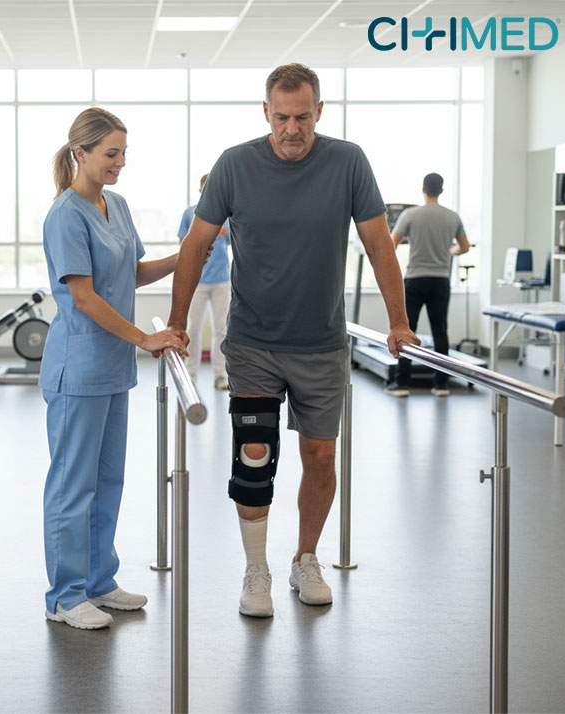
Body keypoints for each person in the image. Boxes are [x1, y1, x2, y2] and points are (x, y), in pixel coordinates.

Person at [168, 63, 417, 618]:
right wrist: (178, 323)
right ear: (266, 114)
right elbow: (195, 246)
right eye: (281, 117)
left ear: (319, 112)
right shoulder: (234, 165)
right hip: (253, 341)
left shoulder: (348, 161)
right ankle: (255, 568)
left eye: (303, 116)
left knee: (321, 456)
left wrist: (398, 322)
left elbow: (378, 245)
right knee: (254, 455)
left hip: (322, 343)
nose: (292, 128)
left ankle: (306, 557)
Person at [41, 107, 188, 630]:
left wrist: (184, 254)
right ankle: (64, 595)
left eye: (124, 153)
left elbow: (132, 272)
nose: (120, 163)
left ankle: (99, 582)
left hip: (113, 367)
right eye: (110, 154)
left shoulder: (117, 205)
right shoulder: (65, 215)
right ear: (80, 153)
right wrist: (146, 337)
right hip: (78, 367)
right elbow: (83, 297)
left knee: (108, 481)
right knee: (72, 485)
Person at [386, 173, 470, 398]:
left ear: (423, 189)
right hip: (440, 280)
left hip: (415, 279)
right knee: (440, 331)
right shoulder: (452, 217)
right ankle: (441, 385)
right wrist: (448, 252)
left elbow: (390, 244)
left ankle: (401, 383)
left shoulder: (411, 214)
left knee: (405, 330)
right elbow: (464, 247)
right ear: (441, 191)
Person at [179, 173, 231, 390]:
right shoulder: (190, 214)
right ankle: (190, 374)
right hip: (197, 282)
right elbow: (183, 247)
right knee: (194, 328)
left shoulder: (228, 215)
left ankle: (220, 374)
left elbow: (232, 243)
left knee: (222, 329)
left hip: (222, 281)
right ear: (200, 190)